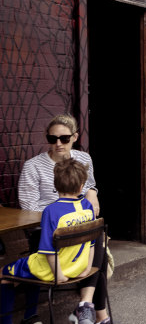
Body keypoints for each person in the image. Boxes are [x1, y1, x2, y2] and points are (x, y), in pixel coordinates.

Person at [16, 114, 110, 324]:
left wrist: (93, 192)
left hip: (79, 229)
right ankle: (97, 314)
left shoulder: (84, 159)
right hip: (47, 230)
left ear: (75, 137)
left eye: (64, 139)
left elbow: (89, 185)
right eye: (52, 139)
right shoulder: (33, 166)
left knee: (98, 240)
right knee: (96, 244)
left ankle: (86, 305)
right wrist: (65, 215)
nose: (58, 144)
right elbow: (29, 208)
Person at [2, 159, 99, 324]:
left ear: (55, 185)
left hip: (56, 271)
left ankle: (17, 319)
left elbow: (48, 250)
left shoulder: (51, 211)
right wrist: (87, 268)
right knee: (29, 263)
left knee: (4, 273)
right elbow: (91, 243)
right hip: (78, 268)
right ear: (82, 186)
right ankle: (30, 318)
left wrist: (59, 275)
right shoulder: (87, 207)